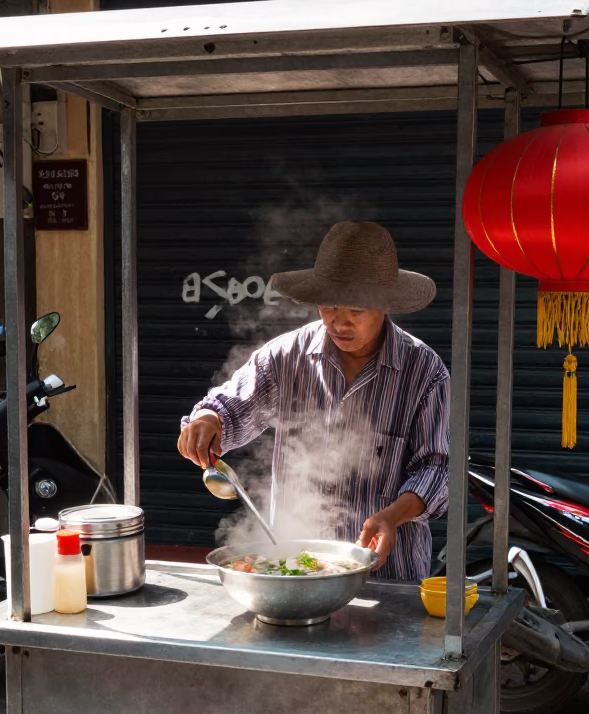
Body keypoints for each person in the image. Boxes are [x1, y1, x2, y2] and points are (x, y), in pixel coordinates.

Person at [178, 221, 449, 580]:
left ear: (385, 305)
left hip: (388, 577)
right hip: (295, 574)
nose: (340, 321)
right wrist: (209, 420)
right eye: (329, 305)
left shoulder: (424, 371)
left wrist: (391, 516)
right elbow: (230, 406)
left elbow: (436, 468)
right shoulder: (285, 357)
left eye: (357, 308)